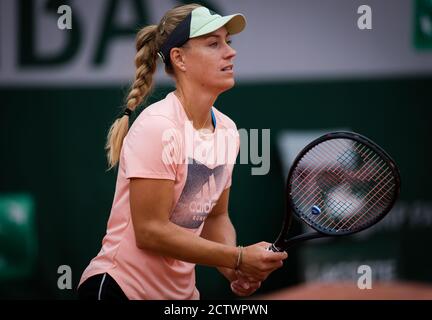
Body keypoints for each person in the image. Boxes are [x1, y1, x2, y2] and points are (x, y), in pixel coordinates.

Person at [77, 4, 287, 300]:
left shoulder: (227, 131)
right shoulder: (158, 126)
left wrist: (232, 270)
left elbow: (216, 216)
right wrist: (237, 257)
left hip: (181, 296)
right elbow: (150, 231)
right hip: (121, 290)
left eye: (228, 41)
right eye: (214, 44)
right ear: (179, 58)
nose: (230, 52)